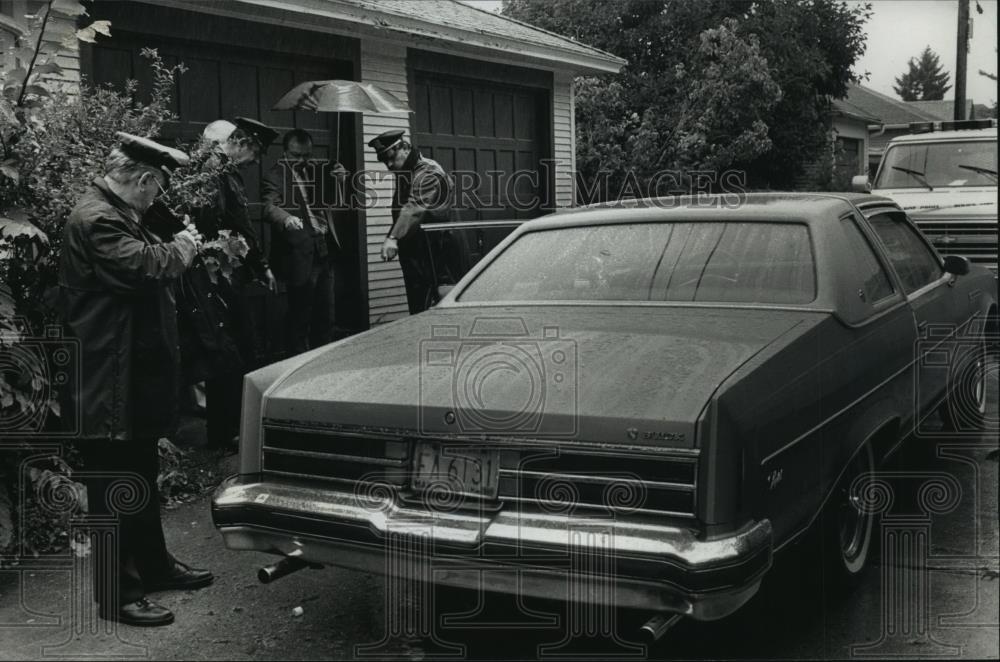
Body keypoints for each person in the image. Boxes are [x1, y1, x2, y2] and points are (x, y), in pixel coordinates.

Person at [59, 133, 214, 627]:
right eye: (158, 188)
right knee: (112, 486)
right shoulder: (97, 217)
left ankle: (154, 567)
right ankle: (118, 594)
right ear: (144, 180)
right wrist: (184, 247)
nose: (158, 198)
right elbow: (144, 268)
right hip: (105, 380)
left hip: (127, 376)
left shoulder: (119, 211)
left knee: (139, 477)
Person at [182, 117, 277, 449]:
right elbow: (229, 225)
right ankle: (223, 434)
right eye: (254, 152)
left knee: (231, 351)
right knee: (226, 353)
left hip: (220, 272)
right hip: (210, 275)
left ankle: (227, 430)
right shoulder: (212, 171)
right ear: (239, 143)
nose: (254, 161)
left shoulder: (222, 171)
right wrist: (260, 265)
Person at [261, 128, 345, 353]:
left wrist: (339, 180)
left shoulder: (318, 170)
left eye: (306, 155)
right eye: (295, 155)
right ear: (285, 152)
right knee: (300, 317)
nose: (301, 161)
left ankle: (323, 362)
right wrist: (286, 217)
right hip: (298, 254)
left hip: (324, 249)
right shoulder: (274, 175)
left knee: (326, 315)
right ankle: (297, 366)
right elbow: (269, 207)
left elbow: (335, 202)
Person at [368, 129, 454, 314]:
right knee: (417, 304)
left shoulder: (428, 170)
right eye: (384, 161)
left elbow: (414, 208)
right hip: (415, 250)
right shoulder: (406, 171)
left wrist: (393, 237)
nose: (389, 165)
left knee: (437, 304)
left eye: (391, 157)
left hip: (435, 248)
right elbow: (400, 210)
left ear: (405, 148)